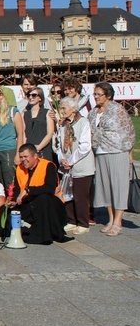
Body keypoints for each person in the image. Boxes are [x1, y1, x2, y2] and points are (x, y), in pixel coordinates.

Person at [87, 82, 135, 237]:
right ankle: (111, 218)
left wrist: (129, 151)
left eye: (98, 94)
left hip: (117, 151)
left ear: (108, 95)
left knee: (118, 185)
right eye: (94, 94)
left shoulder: (117, 109)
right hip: (100, 151)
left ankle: (118, 221)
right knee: (105, 186)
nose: (95, 97)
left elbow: (128, 130)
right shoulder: (93, 112)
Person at [6, 144, 69, 245]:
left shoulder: (48, 166)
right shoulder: (19, 168)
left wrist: (28, 190)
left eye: (26, 157)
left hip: (51, 205)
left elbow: (50, 188)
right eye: (21, 157)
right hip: (29, 203)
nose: (23, 160)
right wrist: (14, 200)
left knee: (42, 198)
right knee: (10, 212)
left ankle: (43, 235)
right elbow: (17, 190)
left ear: (35, 156)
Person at [56, 96, 94, 235]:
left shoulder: (83, 122)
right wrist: (62, 159)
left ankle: (83, 222)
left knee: (80, 195)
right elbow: (58, 145)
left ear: (73, 108)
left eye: (64, 108)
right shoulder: (63, 125)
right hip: (66, 166)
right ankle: (71, 220)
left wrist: (71, 161)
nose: (62, 110)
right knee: (68, 194)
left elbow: (85, 146)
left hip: (81, 166)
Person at [0, 86, 24, 187]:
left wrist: (18, 154)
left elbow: (20, 134)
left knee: (10, 182)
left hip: (8, 151)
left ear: (1, 96)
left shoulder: (13, 111)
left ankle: (11, 201)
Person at [22, 87, 54, 162]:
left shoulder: (47, 112)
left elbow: (50, 134)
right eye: (28, 95)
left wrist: (38, 148)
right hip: (28, 150)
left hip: (44, 149)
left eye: (34, 95)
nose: (30, 97)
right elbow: (23, 134)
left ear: (40, 98)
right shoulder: (24, 114)